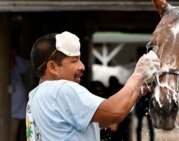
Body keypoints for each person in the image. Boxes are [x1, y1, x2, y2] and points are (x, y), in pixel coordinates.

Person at [26, 31, 160, 141]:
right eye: (74, 61)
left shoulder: (34, 97)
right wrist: (139, 74)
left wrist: (136, 92)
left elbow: (103, 119)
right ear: (53, 67)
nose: (82, 66)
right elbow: (114, 112)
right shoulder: (62, 89)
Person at [10, 48, 28, 141]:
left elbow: (24, 68)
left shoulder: (15, 66)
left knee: (12, 135)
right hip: (7, 110)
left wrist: (14, 57)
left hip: (16, 110)